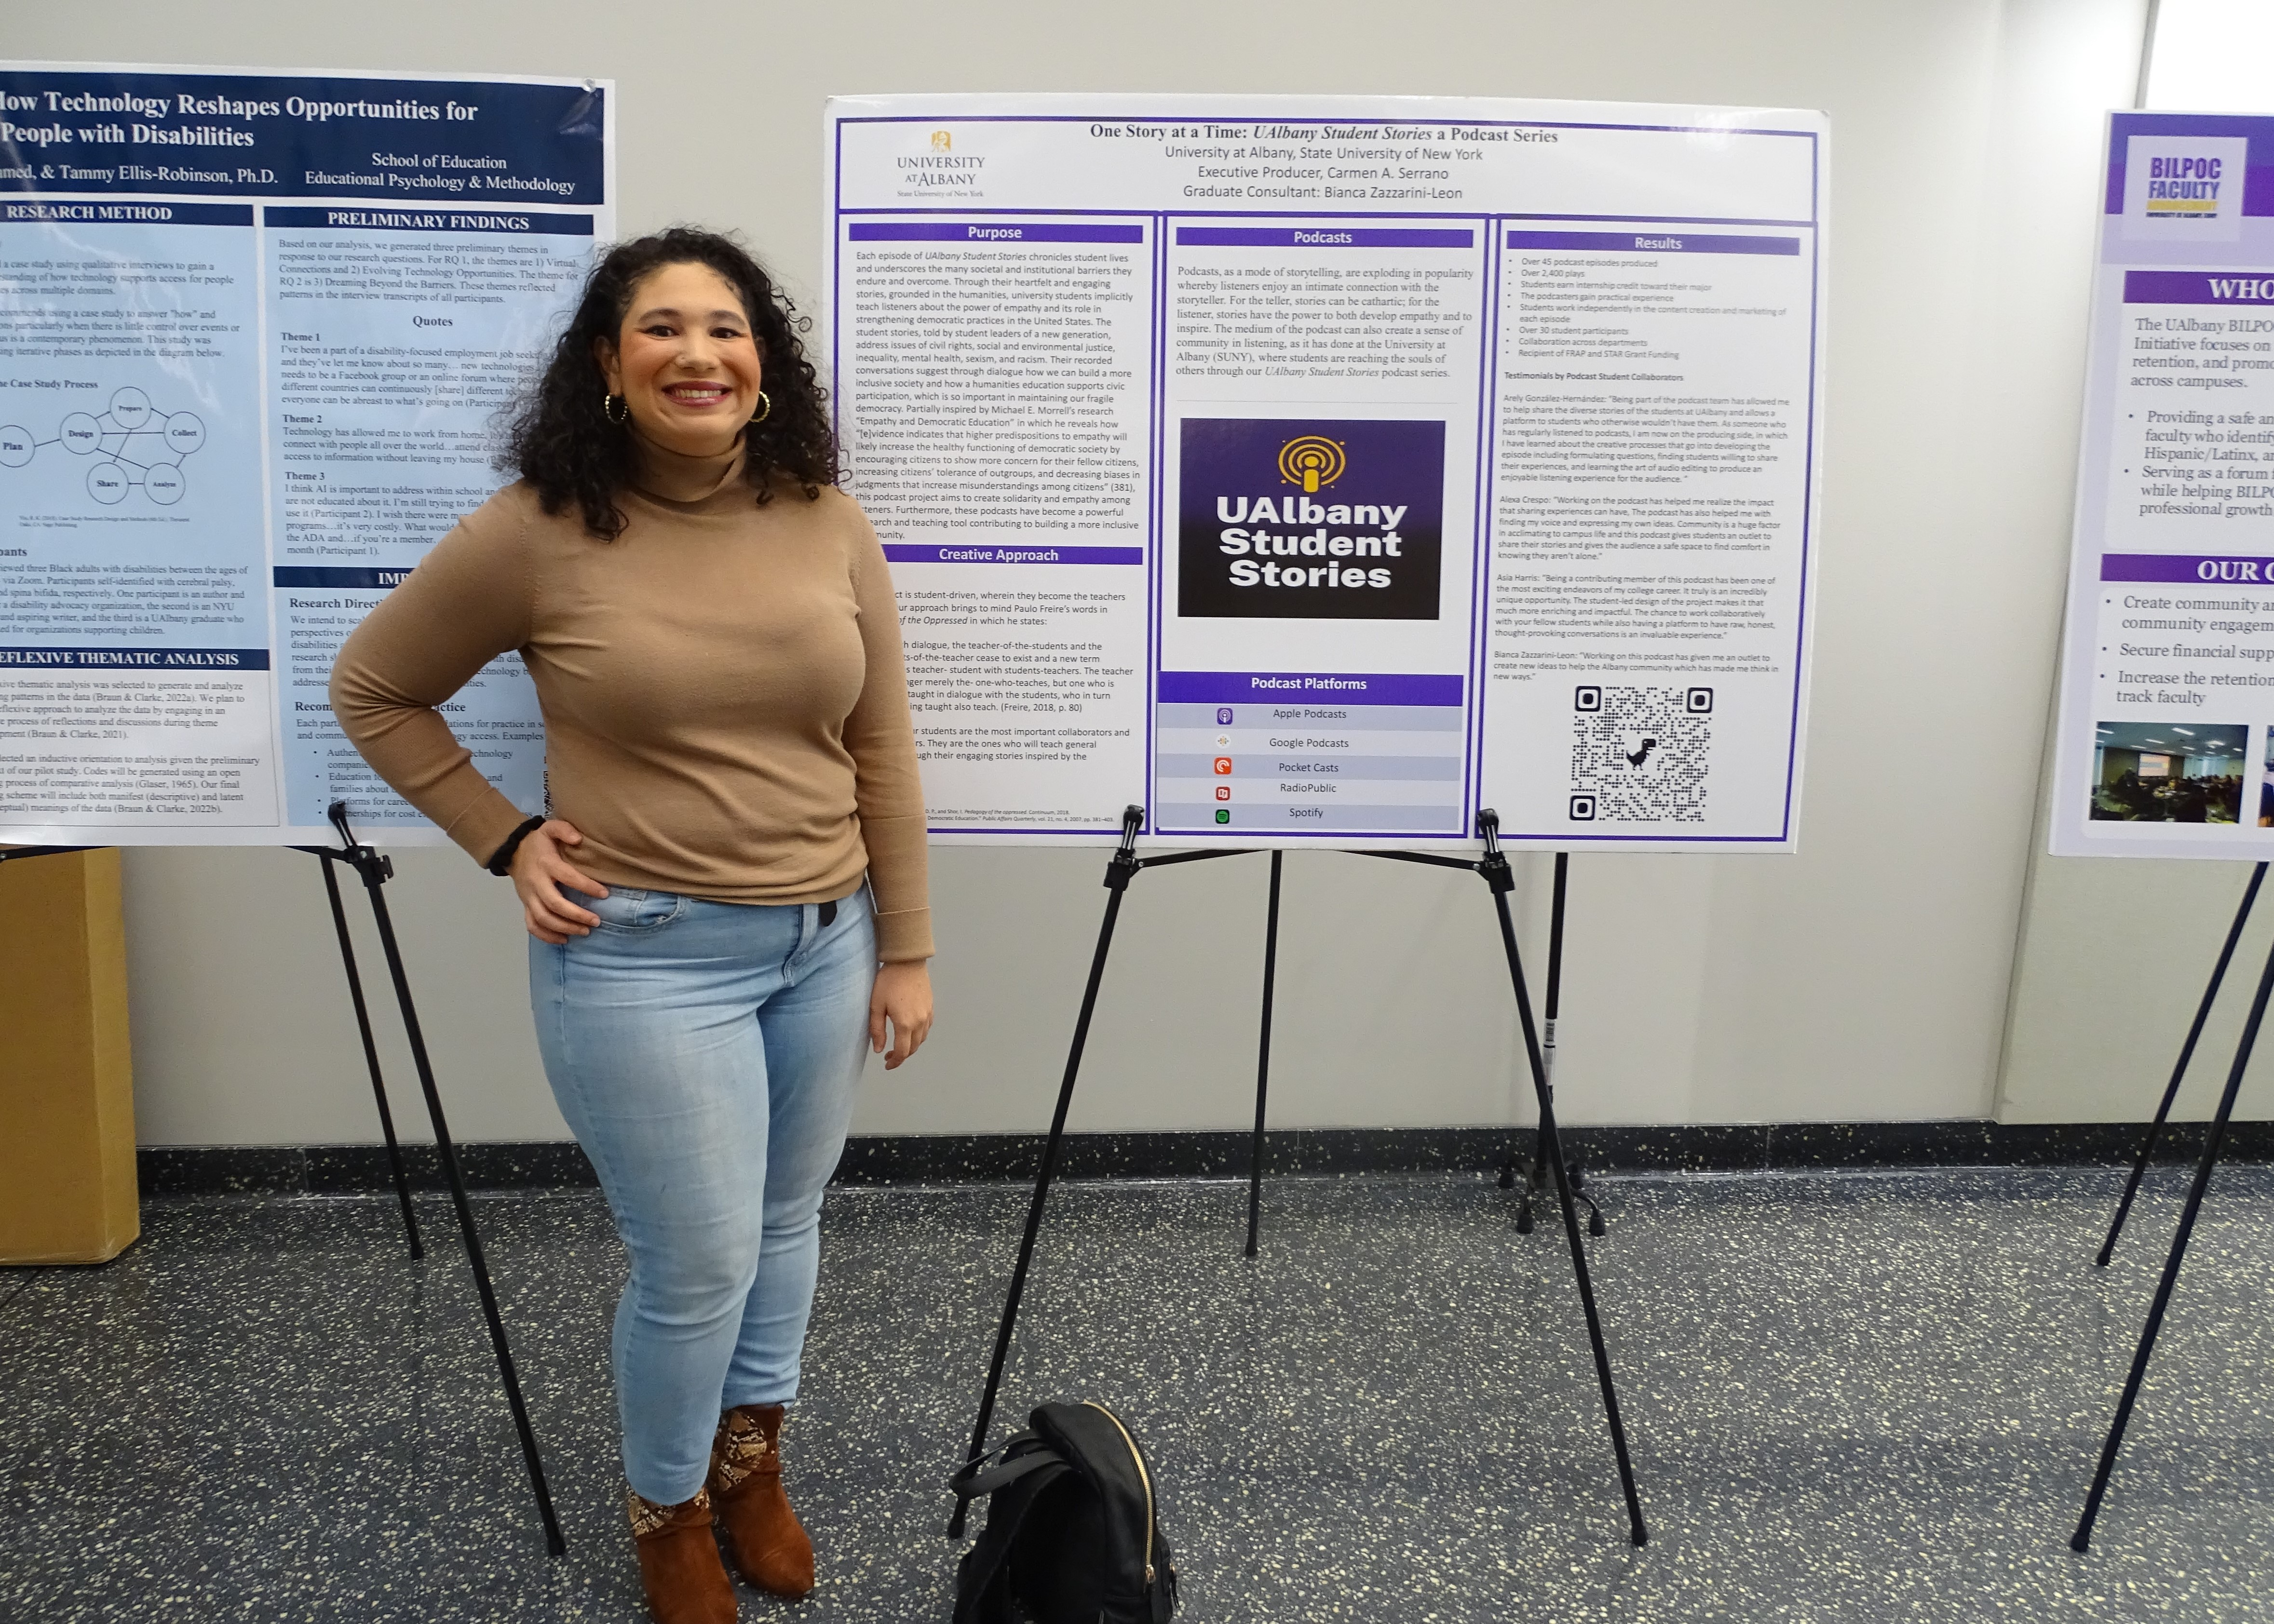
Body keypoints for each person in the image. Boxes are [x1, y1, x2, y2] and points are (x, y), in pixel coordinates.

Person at [331, 228, 933, 1624]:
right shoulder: (536, 527)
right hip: (645, 955)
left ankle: (747, 1466)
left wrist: (905, 944)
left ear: (763, 364)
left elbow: (882, 741)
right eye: (660, 328)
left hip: (823, 938)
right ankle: (664, 1509)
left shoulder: (825, 518)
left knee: (785, 1226)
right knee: (698, 1258)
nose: (697, 352)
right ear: (608, 364)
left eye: (724, 328)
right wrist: (505, 834)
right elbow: (375, 688)